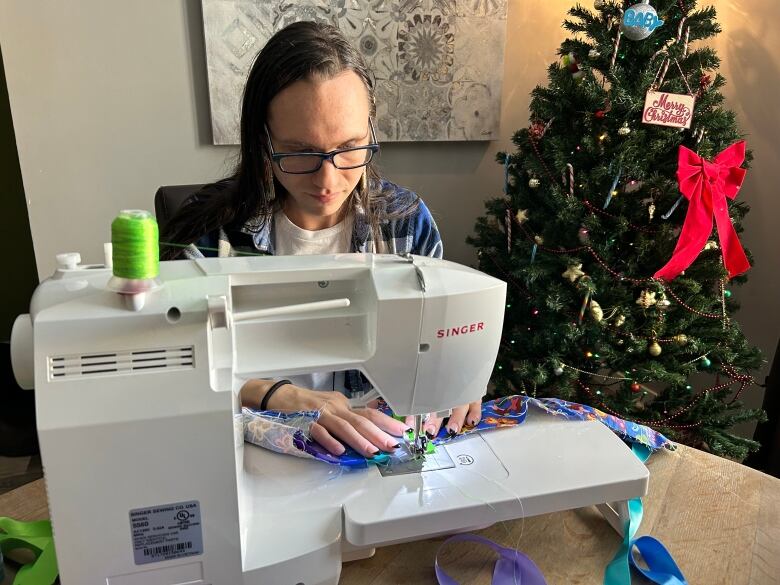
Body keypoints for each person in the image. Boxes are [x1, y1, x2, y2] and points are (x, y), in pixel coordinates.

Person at [161, 21, 482, 458]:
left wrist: (456, 380)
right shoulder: (208, 236)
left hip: (372, 445)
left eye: (349, 147)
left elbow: (438, 346)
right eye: (300, 153)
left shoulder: (406, 227)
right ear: (263, 142)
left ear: (370, 130)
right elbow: (172, 368)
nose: (328, 180)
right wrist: (277, 395)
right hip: (244, 452)